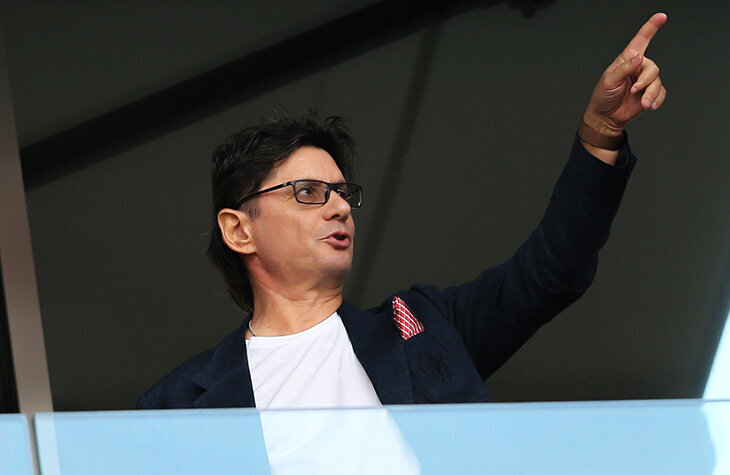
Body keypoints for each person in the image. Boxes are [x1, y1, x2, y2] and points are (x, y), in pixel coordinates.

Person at [137, 13, 668, 410]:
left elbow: (552, 271)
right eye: (308, 192)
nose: (339, 207)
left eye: (342, 192)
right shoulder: (175, 405)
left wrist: (602, 131)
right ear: (239, 230)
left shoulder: (423, 327)